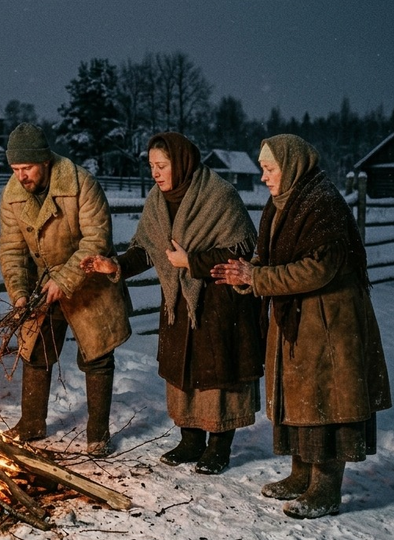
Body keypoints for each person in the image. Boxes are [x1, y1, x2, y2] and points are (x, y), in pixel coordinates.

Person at [211, 134, 392, 519]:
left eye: (270, 169)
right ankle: (301, 475)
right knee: (299, 399)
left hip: (328, 322)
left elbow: (318, 267)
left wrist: (257, 278)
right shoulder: (283, 202)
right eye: (262, 169)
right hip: (297, 318)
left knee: (326, 402)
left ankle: (325, 489)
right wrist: (248, 274)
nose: (263, 177)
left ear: (292, 165)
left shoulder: (322, 203)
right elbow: (272, 257)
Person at [80, 132, 264, 474]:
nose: (155, 173)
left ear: (181, 163)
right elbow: (147, 250)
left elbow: (240, 249)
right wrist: (115, 265)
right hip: (179, 302)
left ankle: (219, 446)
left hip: (219, 299)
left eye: (162, 165)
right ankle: (190, 441)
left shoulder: (219, 195)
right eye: (151, 165)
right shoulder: (157, 200)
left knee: (218, 374)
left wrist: (191, 262)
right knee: (184, 371)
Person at [0, 123, 132, 457]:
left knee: (97, 355)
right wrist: (20, 293)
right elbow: (11, 250)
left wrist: (65, 279)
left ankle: (98, 434)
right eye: (15, 168)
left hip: (89, 280)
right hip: (43, 284)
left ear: (45, 161)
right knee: (35, 351)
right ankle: (31, 423)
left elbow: (96, 239)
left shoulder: (81, 184)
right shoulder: (12, 194)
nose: (21, 176)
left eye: (27, 168)